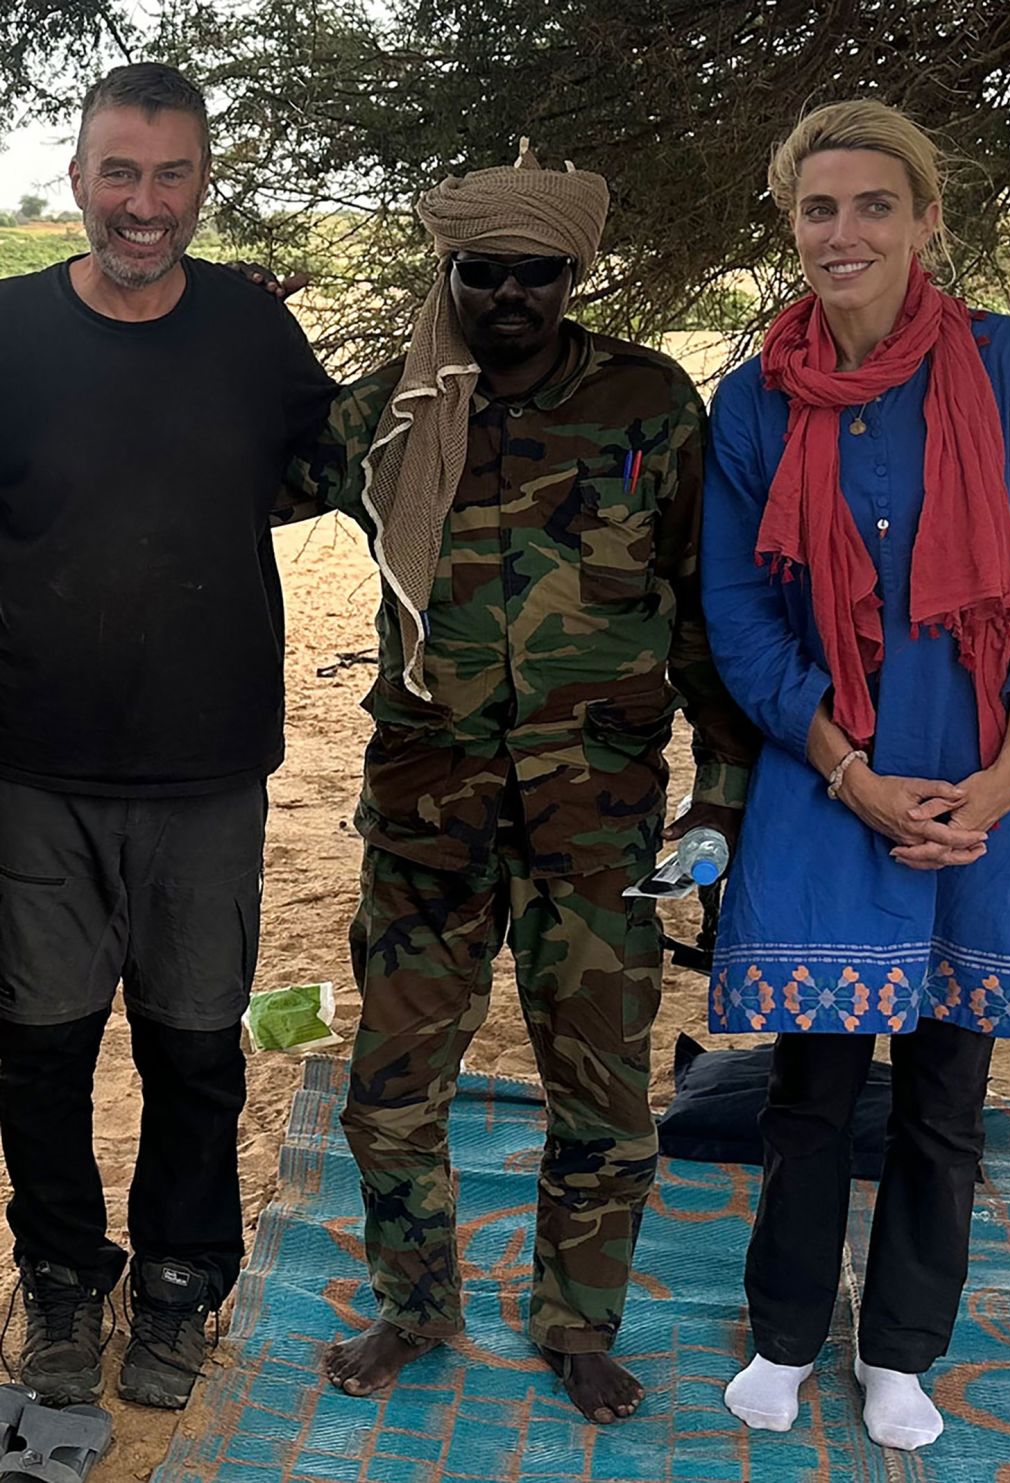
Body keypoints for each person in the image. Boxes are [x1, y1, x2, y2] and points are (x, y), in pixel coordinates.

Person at [284, 141, 759, 1424]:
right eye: (481, 271)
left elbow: (707, 610)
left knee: (602, 1094)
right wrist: (236, 334)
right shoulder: (394, 408)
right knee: (389, 1091)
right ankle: (415, 1305)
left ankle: (577, 1322)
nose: (507, 295)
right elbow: (261, 466)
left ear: (570, 274)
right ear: (452, 271)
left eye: (534, 274)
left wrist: (720, 793)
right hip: (426, 817)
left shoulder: (647, 404)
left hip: (592, 822)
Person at [700, 100, 1010, 1451]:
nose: (843, 232)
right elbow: (739, 615)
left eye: (873, 205)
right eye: (818, 209)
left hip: (991, 776)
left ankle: (902, 1349)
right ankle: (781, 1329)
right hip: (830, 778)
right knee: (809, 1083)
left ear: (926, 219)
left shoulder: (1007, 368)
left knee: (944, 1089)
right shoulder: (754, 395)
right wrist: (844, 768)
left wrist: (1000, 779)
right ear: (791, 224)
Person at [0, 63, 335, 1408]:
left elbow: (350, 468)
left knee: (197, 1045)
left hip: (209, 767)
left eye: (172, 174)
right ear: (77, 179)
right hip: (32, 768)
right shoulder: (9, 332)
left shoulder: (253, 339)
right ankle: (66, 1282)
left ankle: (184, 1280)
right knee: (40, 1046)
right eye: (119, 173)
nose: (144, 204)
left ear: (204, 184)